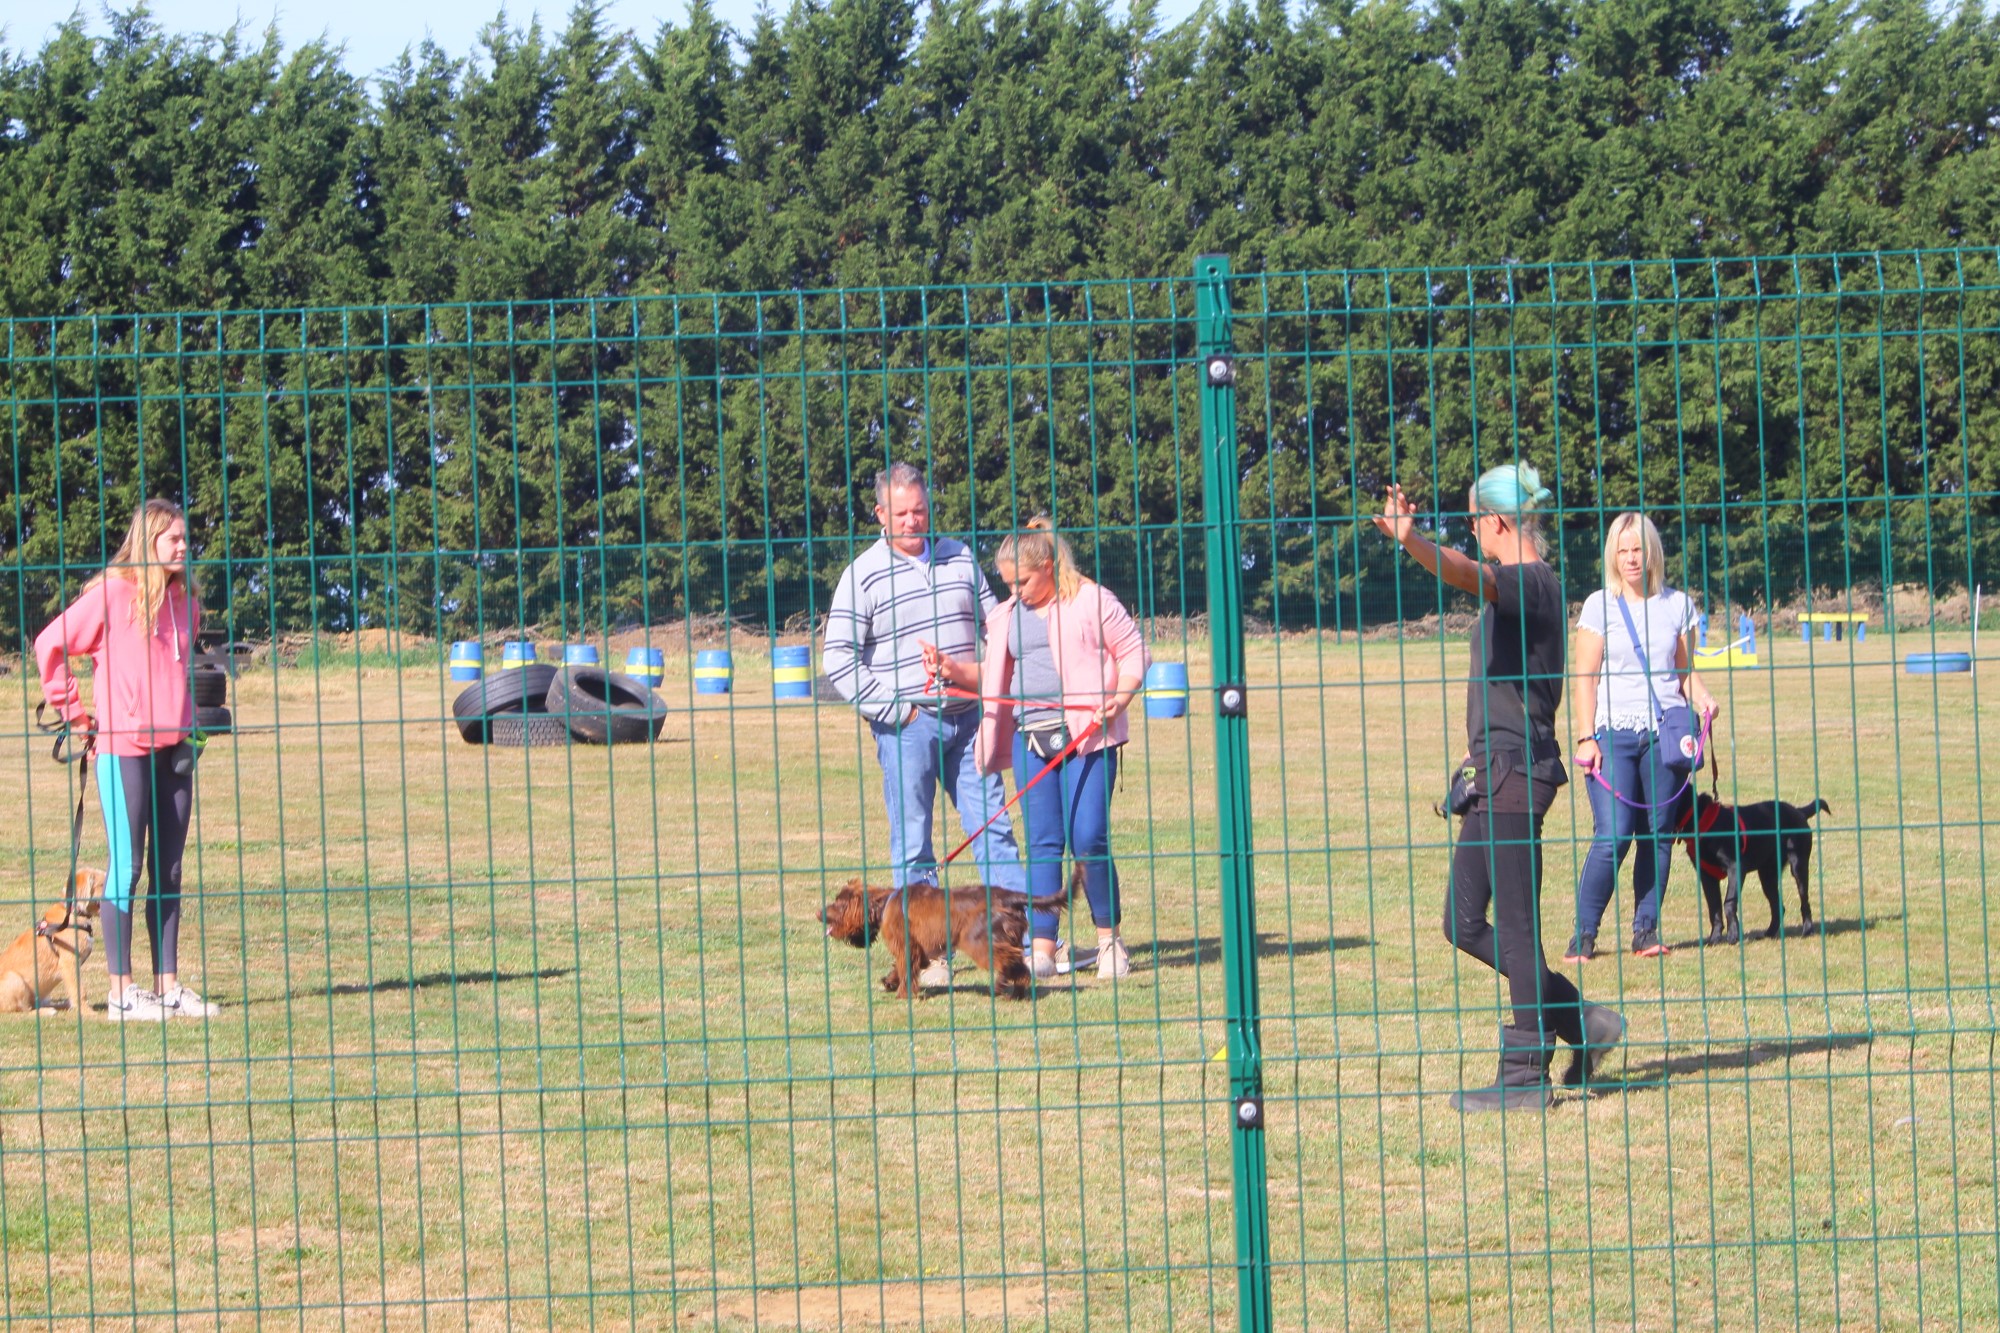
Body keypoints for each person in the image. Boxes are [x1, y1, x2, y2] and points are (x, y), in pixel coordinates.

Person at [1376, 463, 1621, 1110]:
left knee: (1514, 924)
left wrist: (1413, 541)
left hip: (1518, 775)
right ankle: (1579, 1019)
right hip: (1494, 772)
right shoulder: (1516, 591)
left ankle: (1523, 1075)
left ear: (1499, 520)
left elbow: (1464, 573)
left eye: (1475, 520)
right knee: (1462, 921)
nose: (1474, 531)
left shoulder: (1531, 584)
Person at [822, 464, 1029, 989]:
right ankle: (928, 960)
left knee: (994, 832)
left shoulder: (960, 555)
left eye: (920, 510)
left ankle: (1015, 945)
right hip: (906, 729)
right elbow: (839, 658)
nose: (913, 521)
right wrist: (898, 709)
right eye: (901, 513)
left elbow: (997, 627)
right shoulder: (861, 574)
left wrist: (990, 685)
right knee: (913, 844)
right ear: (880, 515)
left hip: (970, 723)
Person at [926, 518, 1148, 979]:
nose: (1016, 591)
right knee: (1044, 845)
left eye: (1022, 581)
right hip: (1032, 740)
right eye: (1008, 583)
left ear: (1047, 566)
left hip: (1087, 738)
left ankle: (1109, 943)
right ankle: (1042, 948)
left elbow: (1134, 652)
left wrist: (1120, 698)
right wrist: (952, 669)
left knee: (1088, 838)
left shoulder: (1090, 599)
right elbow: (991, 675)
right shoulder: (1006, 614)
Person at [34, 498, 220, 1021]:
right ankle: (121, 994)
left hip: (175, 749)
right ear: (148, 542)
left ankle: (168, 987)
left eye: (187, 539)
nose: (185, 547)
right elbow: (49, 646)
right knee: (128, 868)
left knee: (170, 868)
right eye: (174, 539)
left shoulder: (186, 601)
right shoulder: (111, 594)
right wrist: (76, 714)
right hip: (122, 749)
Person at [1566, 512, 1718, 961]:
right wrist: (1584, 737)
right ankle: (1584, 933)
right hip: (1612, 733)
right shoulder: (1600, 605)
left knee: (1658, 833)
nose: (1632, 558)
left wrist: (1704, 698)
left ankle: (1645, 931)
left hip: (1665, 734)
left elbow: (1682, 673)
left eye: (1638, 549)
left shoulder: (1678, 606)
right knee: (1614, 834)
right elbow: (1585, 677)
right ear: (1613, 554)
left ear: (1653, 552)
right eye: (1623, 549)